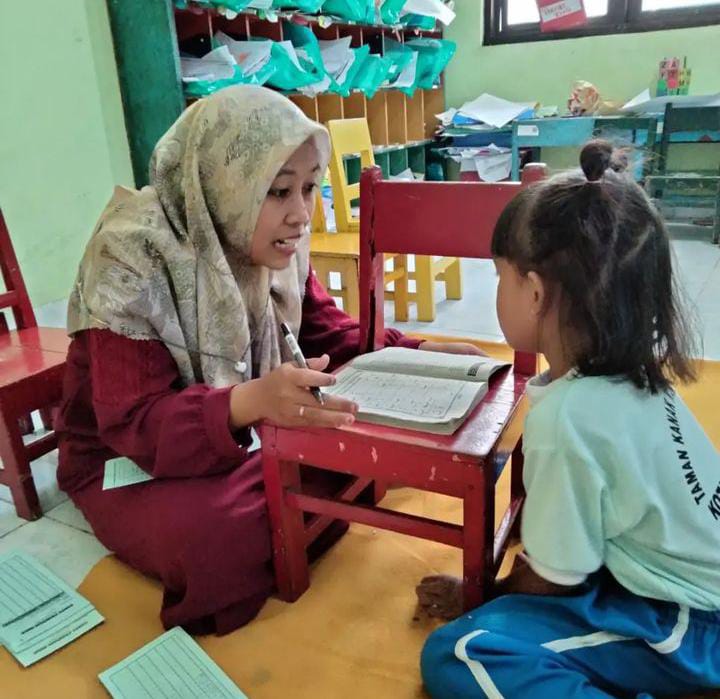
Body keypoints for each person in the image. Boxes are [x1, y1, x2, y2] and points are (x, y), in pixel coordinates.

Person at [56, 85, 480, 636]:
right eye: (279, 191)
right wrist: (251, 400)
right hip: (128, 454)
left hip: (245, 430)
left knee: (348, 440)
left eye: (309, 188)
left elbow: (330, 332)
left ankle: (294, 510)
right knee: (213, 537)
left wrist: (420, 353)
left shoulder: (268, 242)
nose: (302, 215)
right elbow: (132, 418)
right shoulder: (131, 257)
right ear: (225, 183)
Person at [418, 141, 720, 698]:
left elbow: (554, 582)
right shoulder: (634, 377)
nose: (499, 293)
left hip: (690, 626)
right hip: (686, 593)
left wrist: (484, 595)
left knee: (464, 653)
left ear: (533, 293)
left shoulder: (568, 418)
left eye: (499, 277)